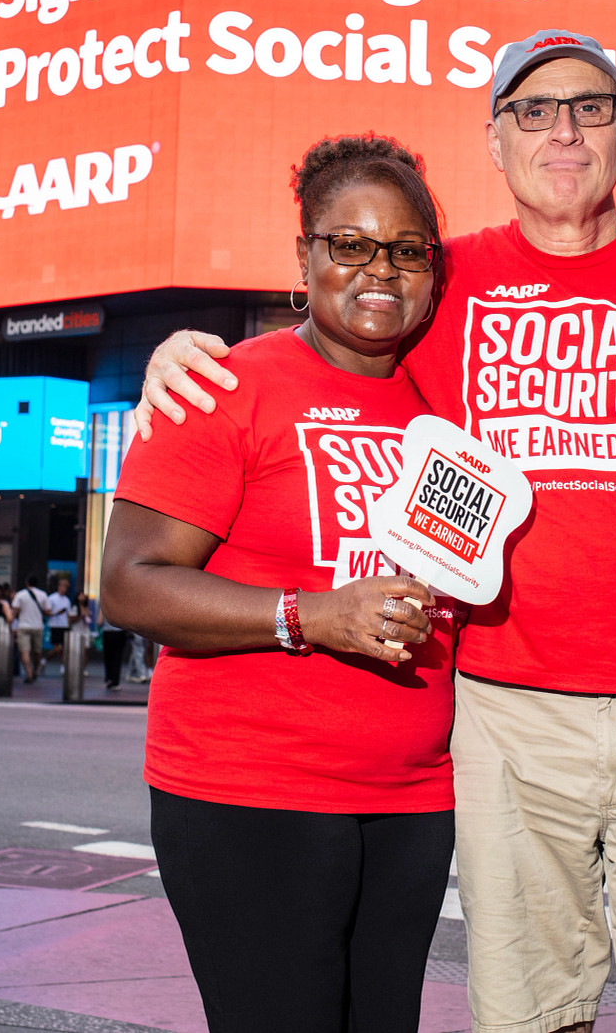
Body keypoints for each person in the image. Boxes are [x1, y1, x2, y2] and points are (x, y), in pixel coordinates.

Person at [136, 30, 616, 1032]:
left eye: (588, 107)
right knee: (526, 1016)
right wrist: (184, 353)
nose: (562, 130)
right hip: (504, 716)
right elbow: (333, 330)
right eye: (532, 110)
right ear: (494, 140)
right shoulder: (439, 281)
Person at [101, 136, 455, 1033]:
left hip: (412, 799)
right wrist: (309, 616)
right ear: (304, 257)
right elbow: (131, 584)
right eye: (351, 244)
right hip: (246, 795)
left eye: (408, 249)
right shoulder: (225, 386)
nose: (381, 268)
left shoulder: (452, 408)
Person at [10, 579, 48, 682]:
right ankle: (35, 670)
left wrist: (10, 625)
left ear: (27, 583)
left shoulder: (20, 595)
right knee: (37, 651)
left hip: (23, 626)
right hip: (38, 626)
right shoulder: (43, 595)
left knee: (24, 651)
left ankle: (29, 673)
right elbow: (48, 611)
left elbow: (13, 612)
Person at [45, 575, 74, 662]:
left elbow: (68, 614)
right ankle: (45, 660)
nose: (65, 589)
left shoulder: (67, 600)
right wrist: (57, 613)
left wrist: (70, 624)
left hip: (64, 625)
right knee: (57, 648)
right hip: (55, 625)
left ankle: (63, 666)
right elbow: (47, 612)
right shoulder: (52, 598)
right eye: (64, 586)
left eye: (66, 587)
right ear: (59, 586)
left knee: (64, 648)